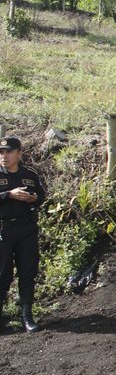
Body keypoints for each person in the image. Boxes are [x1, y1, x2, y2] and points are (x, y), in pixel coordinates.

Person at [0, 137, 47, 333]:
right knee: (2, 273)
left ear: (19, 153)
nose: (4, 156)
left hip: (26, 228)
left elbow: (41, 196)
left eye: (9, 152)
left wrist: (33, 198)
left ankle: (27, 317)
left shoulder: (30, 174)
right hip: (3, 229)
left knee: (27, 272)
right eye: (1, 152)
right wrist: (9, 194)